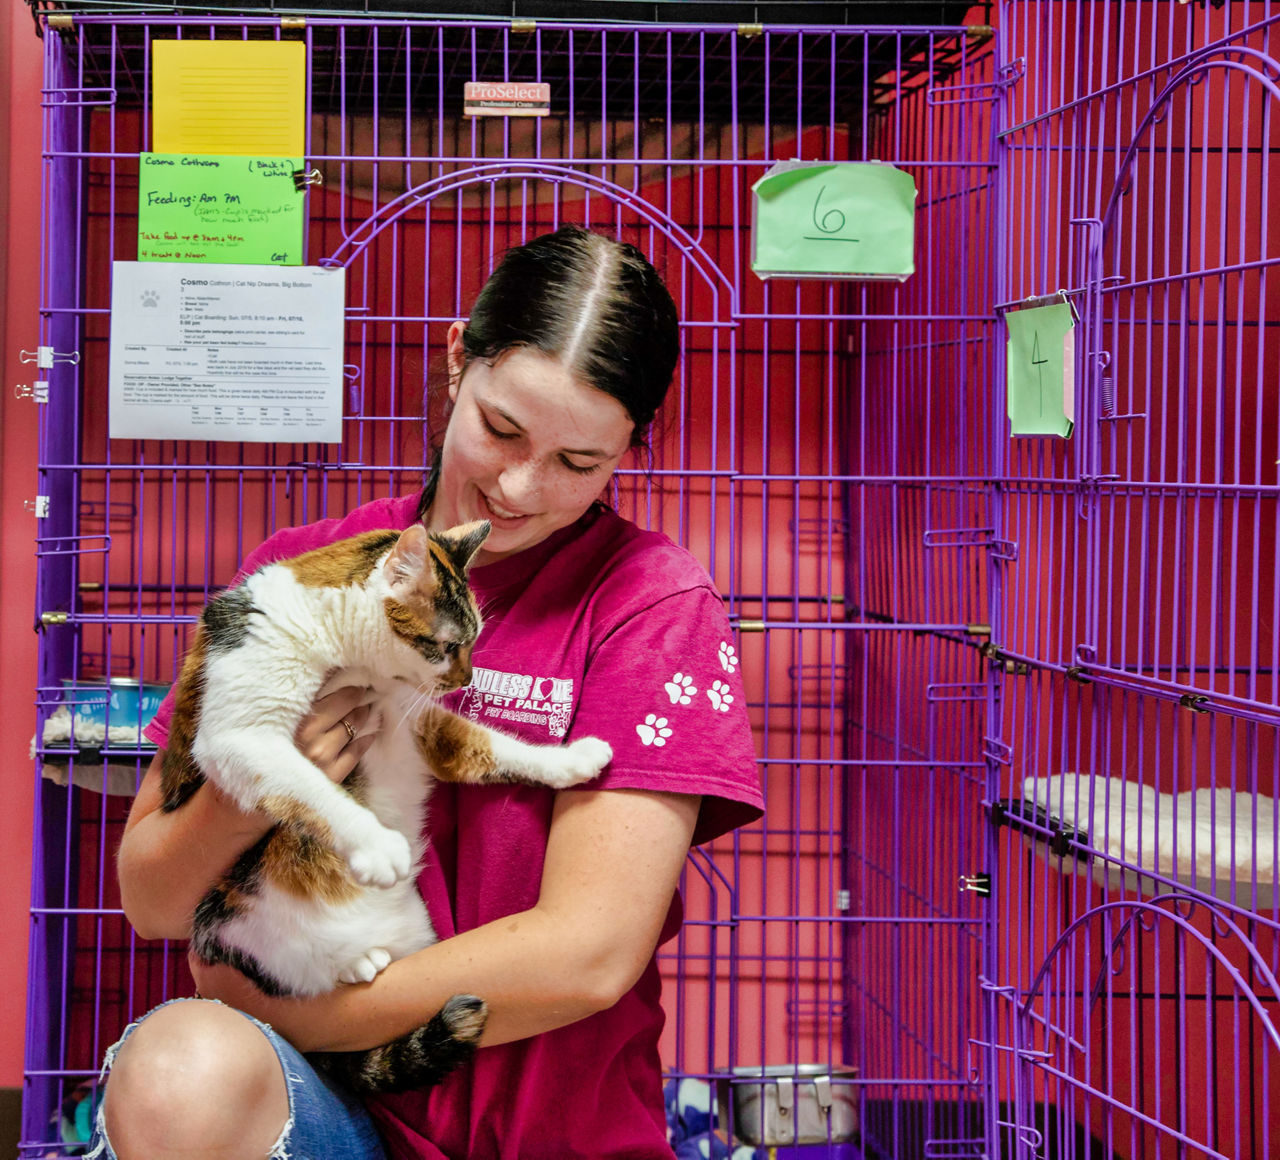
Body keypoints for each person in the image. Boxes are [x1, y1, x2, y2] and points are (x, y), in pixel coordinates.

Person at [90, 225, 763, 1160]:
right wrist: (270, 785)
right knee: (177, 1069)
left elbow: (590, 955)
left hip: (545, 1131)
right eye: (502, 429)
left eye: (580, 464)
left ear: (630, 449)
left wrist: (313, 1013)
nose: (519, 488)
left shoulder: (652, 602)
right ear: (457, 361)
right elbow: (155, 899)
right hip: (330, 1115)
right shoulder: (295, 576)